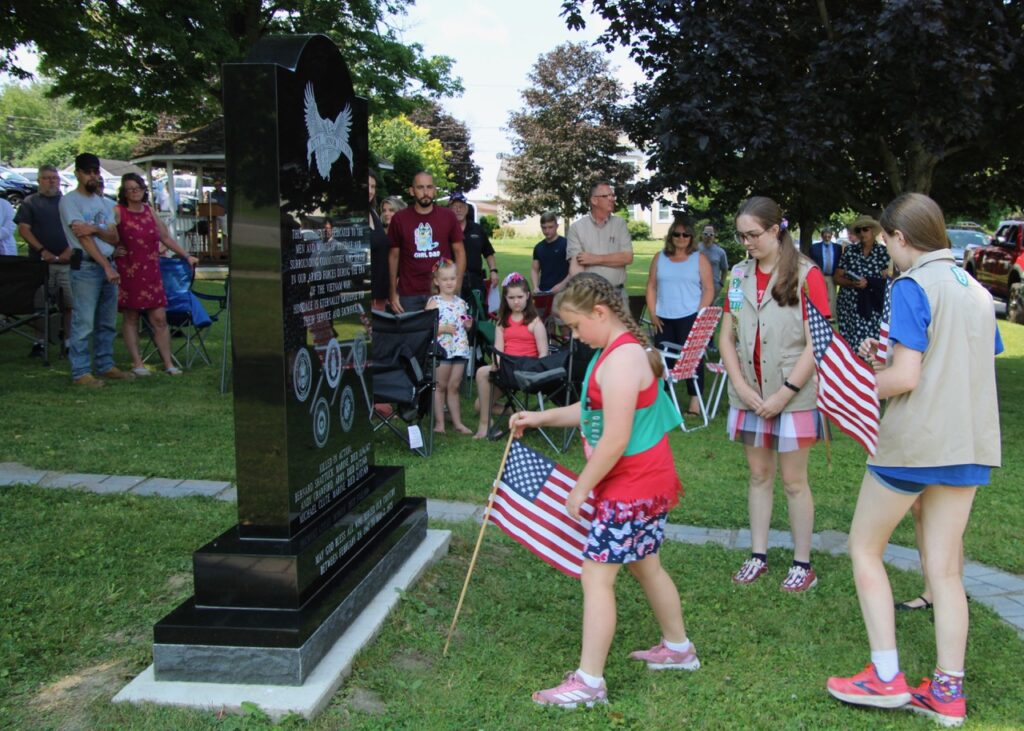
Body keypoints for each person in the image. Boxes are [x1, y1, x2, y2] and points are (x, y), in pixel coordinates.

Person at [826, 193, 1001, 728]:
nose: (886, 253)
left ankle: (884, 677)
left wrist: (853, 386)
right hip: (969, 443)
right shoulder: (975, 287)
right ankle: (947, 693)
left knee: (864, 549)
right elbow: (969, 353)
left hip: (915, 444)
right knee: (945, 570)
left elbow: (905, 378)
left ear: (900, 238)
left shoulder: (911, 284)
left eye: (886, 243)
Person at [511, 272, 699, 708]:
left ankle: (589, 682)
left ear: (600, 313)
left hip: (632, 485)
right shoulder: (610, 352)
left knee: (597, 575)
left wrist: (581, 487)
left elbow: (614, 437)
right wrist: (539, 418)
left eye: (576, 326)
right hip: (643, 481)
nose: (573, 336)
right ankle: (678, 648)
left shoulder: (620, 359)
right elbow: (592, 408)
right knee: (645, 564)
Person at [719, 196, 830, 592]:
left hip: (793, 396)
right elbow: (726, 336)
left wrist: (785, 393)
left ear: (774, 229)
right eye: (741, 236)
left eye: (752, 235)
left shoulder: (807, 274)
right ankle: (758, 555)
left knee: (794, 481)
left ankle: (803, 564)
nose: (746, 242)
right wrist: (741, 386)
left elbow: (818, 343)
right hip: (750, 393)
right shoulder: (737, 275)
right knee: (758, 474)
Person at [113, 173, 198, 376]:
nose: (134, 192)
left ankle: (168, 363)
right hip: (130, 269)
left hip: (151, 270)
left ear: (144, 190)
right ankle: (137, 362)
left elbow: (165, 238)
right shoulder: (118, 212)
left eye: (137, 188)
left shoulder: (149, 211)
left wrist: (186, 255)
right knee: (131, 316)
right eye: (129, 189)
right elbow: (106, 233)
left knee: (159, 317)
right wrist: (114, 248)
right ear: (124, 193)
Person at [59, 152, 132, 387]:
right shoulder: (70, 201)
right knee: (84, 321)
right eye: (88, 172)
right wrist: (105, 265)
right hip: (87, 268)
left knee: (107, 320)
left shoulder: (102, 202)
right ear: (78, 173)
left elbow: (113, 235)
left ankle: (104, 364)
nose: (93, 176)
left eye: (96, 172)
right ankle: (80, 371)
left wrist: (94, 229)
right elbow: (84, 240)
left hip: (108, 265)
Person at [645, 216, 714, 416]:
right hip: (663, 317)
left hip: (690, 316)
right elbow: (651, 285)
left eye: (686, 234)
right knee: (661, 361)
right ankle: (662, 401)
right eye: (677, 234)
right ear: (671, 236)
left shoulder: (699, 259)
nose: (681, 237)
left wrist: (699, 314)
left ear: (692, 237)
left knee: (693, 359)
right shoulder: (659, 257)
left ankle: (695, 403)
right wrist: (652, 312)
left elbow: (709, 289)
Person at [472, 272, 548, 439]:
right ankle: (520, 414)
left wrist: (540, 375)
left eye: (520, 297)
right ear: (505, 299)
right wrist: (495, 365)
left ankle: (484, 426)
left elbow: (543, 353)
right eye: (511, 297)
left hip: (527, 370)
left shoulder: (535, 322)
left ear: (528, 296)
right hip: (506, 369)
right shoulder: (502, 322)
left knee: (480, 372)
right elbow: (498, 351)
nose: (516, 301)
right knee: (480, 405)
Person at [387, 171, 465, 313]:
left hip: (441, 292)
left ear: (434, 190)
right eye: (420, 187)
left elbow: (460, 252)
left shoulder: (448, 216)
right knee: (412, 335)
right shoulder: (400, 219)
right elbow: (393, 256)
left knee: (444, 334)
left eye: (429, 187)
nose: (425, 192)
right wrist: (392, 293)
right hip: (409, 294)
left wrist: (456, 286)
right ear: (412, 191)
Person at [15, 165, 74, 355]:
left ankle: (68, 342)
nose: (52, 181)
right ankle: (39, 341)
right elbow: (24, 229)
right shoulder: (30, 202)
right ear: (39, 180)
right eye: (47, 178)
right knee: (41, 304)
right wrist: (42, 250)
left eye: (55, 178)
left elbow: (77, 229)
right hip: (40, 263)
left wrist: (69, 250)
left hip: (66, 261)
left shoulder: (68, 203)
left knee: (69, 303)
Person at [567, 180, 633, 307]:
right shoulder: (577, 228)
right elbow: (576, 267)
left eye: (612, 195)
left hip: (617, 295)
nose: (612, 199)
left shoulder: (620, 224)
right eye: (606, 196)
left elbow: (627, 257)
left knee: (623, 327)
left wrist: (594, 258)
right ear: (594, 200)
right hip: (590, 297)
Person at [426, 258, 473, 434]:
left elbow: (464, 325)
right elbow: (425, 327)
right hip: (442, 350)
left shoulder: (461, 303)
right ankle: (440, 423)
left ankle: (458, 423)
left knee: (454, 386)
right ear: (437, 281)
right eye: (445, 279)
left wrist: (468, 325)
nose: (449, 282)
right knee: (440, 386)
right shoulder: (434, 302)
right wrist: (441, 328)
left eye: (452, 278)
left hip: (459, 349)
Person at [834, 215, 890, 349]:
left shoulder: (883, 252)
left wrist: (869, 282)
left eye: (865, 229)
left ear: (873, 231)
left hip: (871, 304)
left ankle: (867, 366)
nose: (862, 233)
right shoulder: (849, 251)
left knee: (869, 343)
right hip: (848, 305)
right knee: (848, 342)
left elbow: (887, 281)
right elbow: (837, 277)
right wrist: (853, 283)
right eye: (859, 230)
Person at [449, 190, 498, 305]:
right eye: (455, 206)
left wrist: (493, 271)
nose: (458, 209)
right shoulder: (445, 230)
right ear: (449, 209)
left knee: (478, 316)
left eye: (461, 206)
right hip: (452, 280)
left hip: (476, 281)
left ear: (466, 208)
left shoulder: (477, 229)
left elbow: (488, 253)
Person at [809, 226, 844, 321]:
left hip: (832, 276)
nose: (827, 238)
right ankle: (819, 314)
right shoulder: (814, 247)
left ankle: (831, 316)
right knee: (819, 295)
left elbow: (840, 261)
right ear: (822, 236)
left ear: (832, 236)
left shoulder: (838, 248)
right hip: (819, 275)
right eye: (825, 236)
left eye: (829, 236)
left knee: (832, 296)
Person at [531, 211, 570, 294]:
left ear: (557, 226)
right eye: (544, 228)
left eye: (550, 227)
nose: (547, 230)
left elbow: (573, 270)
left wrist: (561, 285)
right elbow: (535, 270)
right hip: (544, 291)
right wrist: (535, 287)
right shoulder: (538, 247)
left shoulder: (566, 244)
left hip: (564, 291)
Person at [367, 170, 390, 311]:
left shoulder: (373, 212)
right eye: (367, 186)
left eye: (373, 186)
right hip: (367, 293)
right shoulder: (355, 216)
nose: (370, 191)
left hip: (381, 292)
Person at [698, 224, 730, 301]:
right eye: (706, 234)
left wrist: (721, 284)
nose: (708, 236)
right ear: (702, 234)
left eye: (711, 234)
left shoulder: (720, 252)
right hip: (696, 286)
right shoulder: (694, 249)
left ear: (714, 236)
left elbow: (725, 269)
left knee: (709, 311)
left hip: (713, 287)